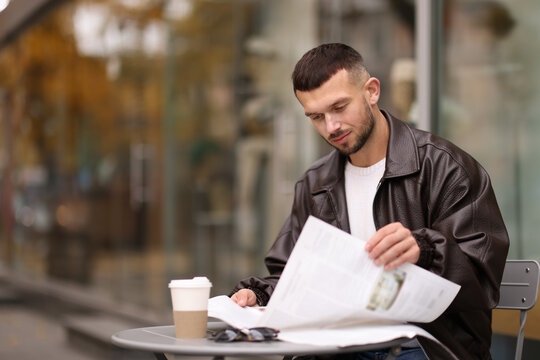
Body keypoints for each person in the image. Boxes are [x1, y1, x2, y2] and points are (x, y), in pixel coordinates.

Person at [230, 43, 509, 360]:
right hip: (339, 345)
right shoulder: (315, 184)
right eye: (316, 116)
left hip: (424, 345)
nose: (330, 127)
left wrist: (425, 251)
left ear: (372, 91)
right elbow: (291, 273)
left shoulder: (445, 167)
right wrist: (258, 294)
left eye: (339, 108)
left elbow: (482, 273)